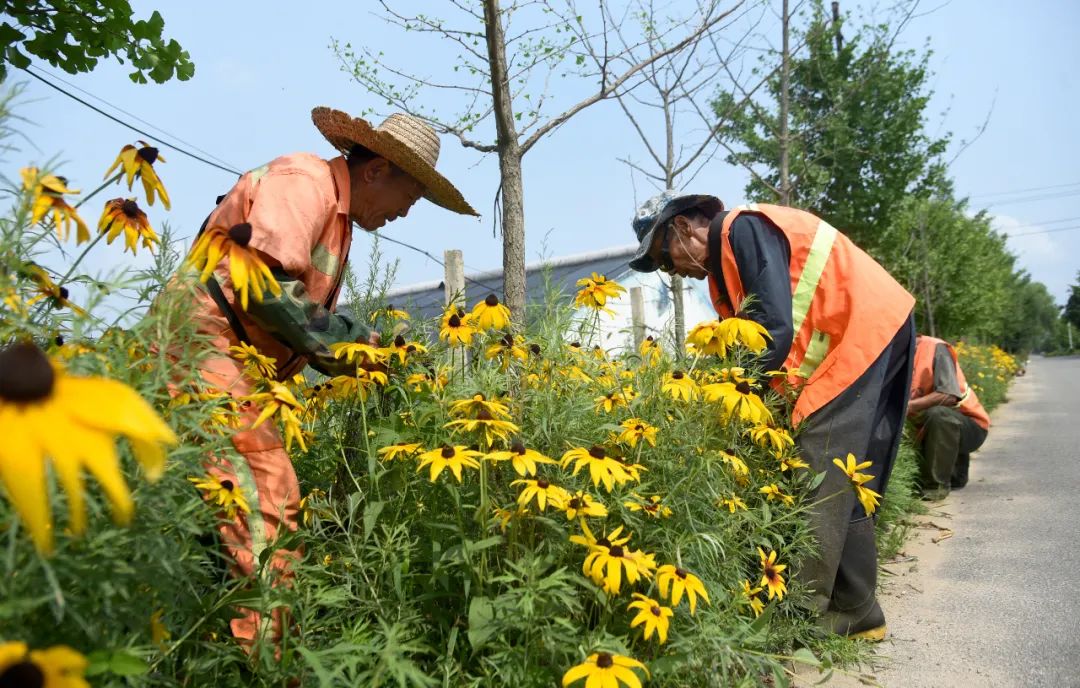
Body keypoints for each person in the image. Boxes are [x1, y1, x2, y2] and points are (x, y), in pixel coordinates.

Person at [179, 108, 476, 644]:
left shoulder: (339, 216)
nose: (405, 215)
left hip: (238, 365)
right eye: (408, 200)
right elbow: (263, 285)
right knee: (266, 496)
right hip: (202, 348)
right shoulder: (304, 181)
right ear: (375, 170)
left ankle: (205, 649)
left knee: (209, 521)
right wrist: (351, 344)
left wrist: (361, 344)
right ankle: (265, 663)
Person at [628, 193, 915, 640]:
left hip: (855, 329)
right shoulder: (726, 264)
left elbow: (773, 330)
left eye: (666, 259)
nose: (673, 272)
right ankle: (858, 611)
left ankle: (800, 617)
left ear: (683, 228)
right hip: (867, 325)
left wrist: (723, 396)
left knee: (817, 473)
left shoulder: (741, 229)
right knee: (841, 476)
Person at [907, 335, 990, 499]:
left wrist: (908, 407)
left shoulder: (935, 348)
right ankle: (954, 472)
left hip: (971, 425)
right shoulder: (892, 355)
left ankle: (936, 487)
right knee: (934, 416)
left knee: (939, 415)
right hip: (935, 425)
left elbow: (948, 395)